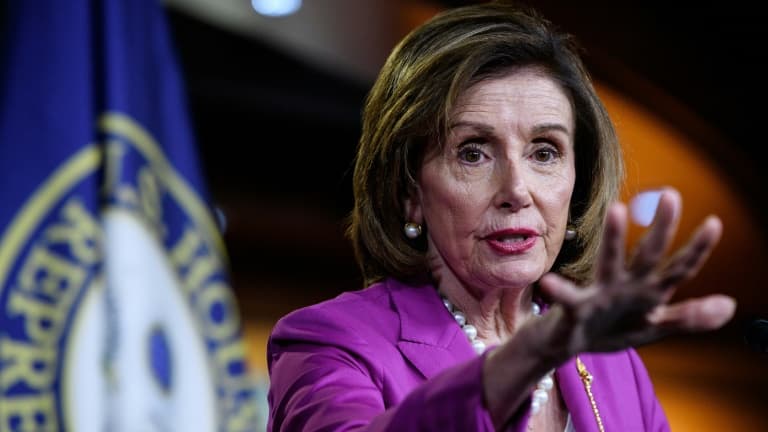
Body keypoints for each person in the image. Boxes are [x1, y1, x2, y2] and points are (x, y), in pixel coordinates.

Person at [266, 2, 736, 431]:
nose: (516, 190)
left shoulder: (614, 363)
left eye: (545, 152)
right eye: (473, 153)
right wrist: (525, 357)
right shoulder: (330, 343)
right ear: (408, 191)